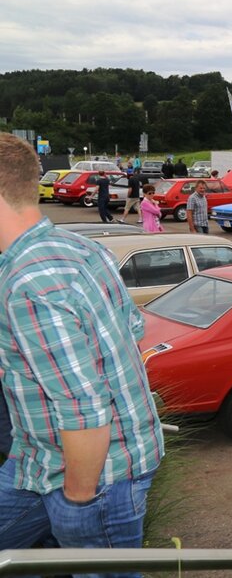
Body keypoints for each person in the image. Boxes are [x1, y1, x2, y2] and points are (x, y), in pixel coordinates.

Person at [0, 133, 163, 555]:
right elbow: (131, 328)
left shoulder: (30, 284)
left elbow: (84, 409)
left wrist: (78, 500)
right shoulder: (80, 246)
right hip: (38, 456)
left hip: (92, 477)